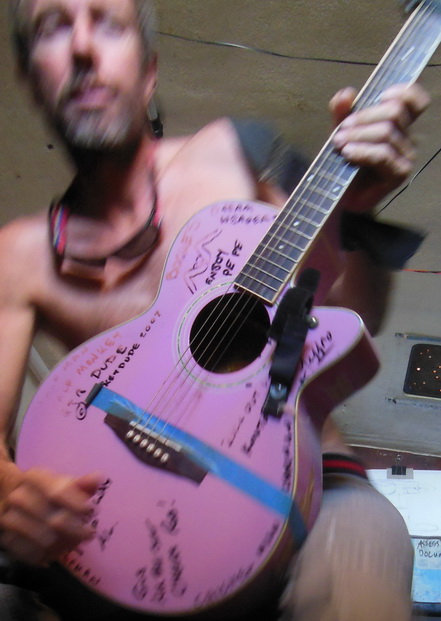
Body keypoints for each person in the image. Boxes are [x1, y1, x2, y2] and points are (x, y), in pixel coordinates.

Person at [0, 0, 431, 619]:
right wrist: (10, 492)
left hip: (301, 480)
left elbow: (351, 317)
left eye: (108, 24)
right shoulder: (19, 257)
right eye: (54, 27)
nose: (83, 48)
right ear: (28, 75)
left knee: (364, 558)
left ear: (149, 72)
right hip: (109, 511)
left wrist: (353, 211)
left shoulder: (234, 153)